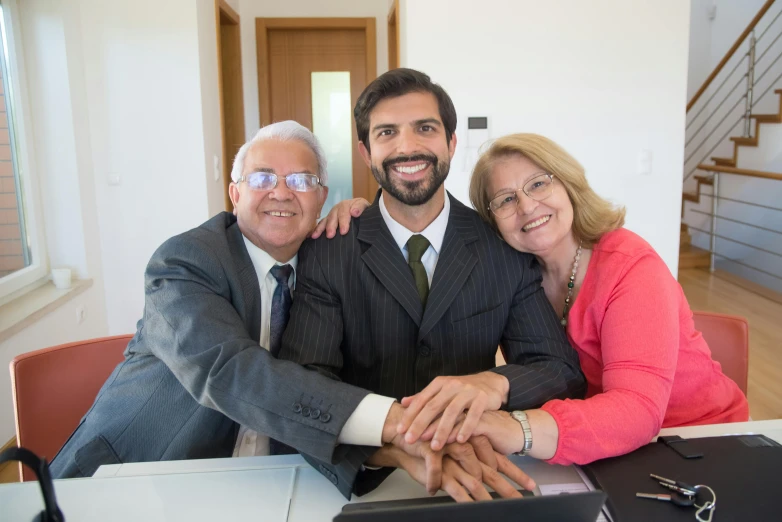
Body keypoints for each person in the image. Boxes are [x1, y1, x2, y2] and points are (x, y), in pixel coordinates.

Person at [49, 121, 522, 502]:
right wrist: (399, 425)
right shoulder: (186, 261)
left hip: (286, 478)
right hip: (141, 478)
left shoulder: (329, 261)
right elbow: (231, 372)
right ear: (235, 194)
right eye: (261, 179)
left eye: (301, 181)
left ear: (322, 198)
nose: (281, 193)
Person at [321, 132, 750, 466]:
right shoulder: (515, 267)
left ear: (569, 185)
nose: (527, 206)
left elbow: (637, 410)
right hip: (601, 445)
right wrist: (370, 213)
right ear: (493, 222)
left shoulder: (630, 267)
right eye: (506, 200)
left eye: (538, 184)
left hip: (696, 441)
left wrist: (515, 428)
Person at [278, 69, 585, 497]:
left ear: (451, 143)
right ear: (366, 152)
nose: (407, 147)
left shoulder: (502, 246)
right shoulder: (330, 251)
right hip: (367, 477)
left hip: (483, 468)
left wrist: (493, 383)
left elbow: (560, 370)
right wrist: (389, 447)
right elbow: (303, 385)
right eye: (387, 132)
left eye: (425, 128)